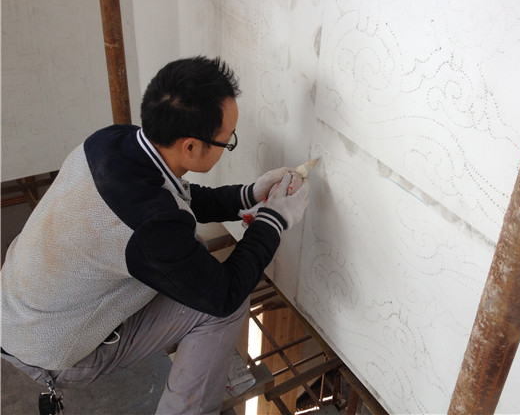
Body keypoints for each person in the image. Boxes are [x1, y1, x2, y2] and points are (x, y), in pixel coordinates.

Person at [1, 56, 310, 414]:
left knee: (191, 255)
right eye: (228, 142)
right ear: (190, 146)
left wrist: (248, 195)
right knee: (225, 304)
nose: (228, 146)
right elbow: (223, 293)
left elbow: (173, 199)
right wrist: (274, 220)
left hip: (16, 312)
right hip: (53, 354)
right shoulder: (153, 227)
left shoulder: (111, 141)